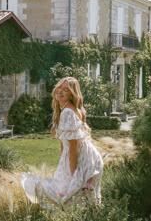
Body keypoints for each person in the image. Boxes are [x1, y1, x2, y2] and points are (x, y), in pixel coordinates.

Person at [21, 76, 103, 211]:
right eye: (59, 87)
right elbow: (64, 144)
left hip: (82, 157)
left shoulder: (68, 113)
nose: (60, 91)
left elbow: (73, 147)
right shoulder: (65, 110)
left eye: (66, 90)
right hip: (84, 155)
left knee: (69, 191)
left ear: (72, 94)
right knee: (77, 197)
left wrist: (73, 173)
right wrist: (63, 162)